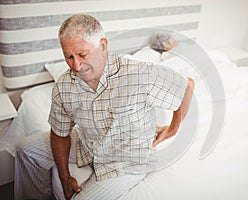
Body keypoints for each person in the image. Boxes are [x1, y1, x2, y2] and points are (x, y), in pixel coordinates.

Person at [14, 14, 194, 200]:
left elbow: (186, 86)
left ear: (102, 46)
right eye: (69, 57)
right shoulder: (65, 85)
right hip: (88, 143)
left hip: (128, 160)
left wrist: (173, 129)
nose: (76, 65)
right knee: (25, 150)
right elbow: (59, 133)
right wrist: (65, 177)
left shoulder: (138, 73)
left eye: (82, 54)